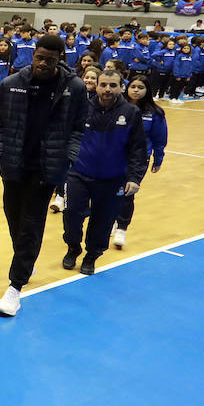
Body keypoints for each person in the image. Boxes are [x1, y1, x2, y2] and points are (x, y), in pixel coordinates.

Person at [0, 35, 88, 317]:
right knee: (14, 218)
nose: (43, 63)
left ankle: (15, 287)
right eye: (39, 57)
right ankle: (26, 258)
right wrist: (0, 150)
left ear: (60, 60)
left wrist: (68, 155)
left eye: (49, 59)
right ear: (33, 55)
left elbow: (80, 127)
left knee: (31, 223)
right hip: (14, 164)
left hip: (47, 168)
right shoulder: (11, 84)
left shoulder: (74, 88)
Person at [61, 69, 148, 275]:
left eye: (113, 85)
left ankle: (92, 255)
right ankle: (73, 247)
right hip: (79, 174)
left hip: (113, 179)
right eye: (103, 85)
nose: (107, 89)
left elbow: (138, 148)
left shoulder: (131, 113)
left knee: (103, 221)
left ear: (121, 87)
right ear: (96, 86)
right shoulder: (82, 108)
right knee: (72, 214)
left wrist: (135, 178)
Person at [112, 75, 166, 250]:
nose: (136, 90)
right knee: (111, 190)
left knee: (127, 192)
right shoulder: (117, 107)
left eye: (140, 87)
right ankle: (111, 220)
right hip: (115, 156)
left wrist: (158, 158)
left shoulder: (155, 113)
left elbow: (160, 138)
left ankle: (122, 228)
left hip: (139, 159)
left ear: (147, 90)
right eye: (133, 86)